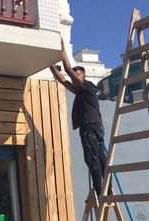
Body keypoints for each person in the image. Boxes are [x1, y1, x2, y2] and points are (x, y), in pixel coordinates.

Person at [50, 37, 109, 197]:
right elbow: (63, 80)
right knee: (101, 158)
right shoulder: (80, 90)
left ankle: (99, 190)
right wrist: (51, 66)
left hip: (90, 125)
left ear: (82, 75)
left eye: (77, 75)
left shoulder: (87, 86)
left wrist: (61, 48)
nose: (74, 78)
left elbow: (68, 71)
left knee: (92, 158)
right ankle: (107, 190)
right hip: (94, 125)